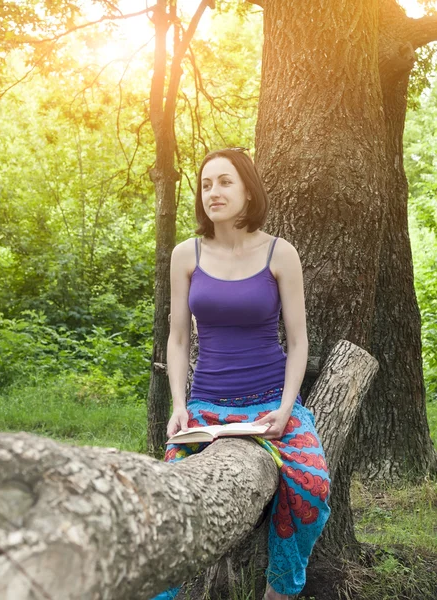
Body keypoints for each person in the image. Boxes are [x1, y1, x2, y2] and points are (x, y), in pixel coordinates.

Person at [152, 148, 330, 600]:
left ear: (248, 190)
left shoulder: (279, 253)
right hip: (206, 409)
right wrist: (178, 405)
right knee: (170, 503)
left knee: (313, 489)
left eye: (225, 182)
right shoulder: (185, 255)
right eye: (206, 184)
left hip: (271, 401)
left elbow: (299, 342)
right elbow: (177, 340)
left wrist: (287, 409)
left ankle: (279, 591)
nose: (213, 191)